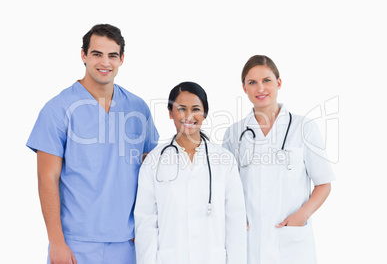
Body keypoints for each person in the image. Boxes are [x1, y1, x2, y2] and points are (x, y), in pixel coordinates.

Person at [26, 24, 159, 264]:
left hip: (128, 242)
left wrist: (148, 229)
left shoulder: (138, 108)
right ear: (83, 55)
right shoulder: (58, 109)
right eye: (97, 54)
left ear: (122, 59)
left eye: (112, 55)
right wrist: (56, 242)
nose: (104, 62)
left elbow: (151, 171)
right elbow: (47, 179)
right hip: (76, 244)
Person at [222, 55, 335, 264]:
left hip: (290, 241)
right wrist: (234, 218)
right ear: (244, 88)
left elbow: (323, 183)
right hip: (248, 239)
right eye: (252, 82)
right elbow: (225, 186)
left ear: (278, 83)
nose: (260, 88)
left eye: (266, 80)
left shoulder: (304, 127)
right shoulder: (233, 133)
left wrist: (301, 216)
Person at [134, 82, 247, 264]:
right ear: (170, 113)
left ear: (204, 113)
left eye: (195, 109)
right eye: (181, 109)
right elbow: (145, 224)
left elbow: (235, 222)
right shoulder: (154, 161)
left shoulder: (224, 160)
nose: (188, 116)